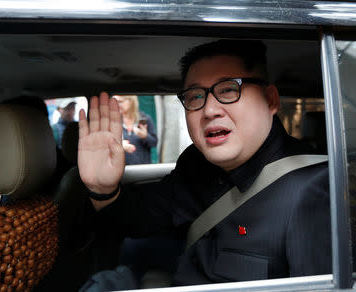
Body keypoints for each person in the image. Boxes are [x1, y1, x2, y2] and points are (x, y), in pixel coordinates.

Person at [77, 40, 331, 289]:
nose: (209, 110)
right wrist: (103, 189)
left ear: (270, 100)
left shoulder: (315, 190)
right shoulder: (196, 165)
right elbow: (139, 219)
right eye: (195, 95)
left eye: (229, 89)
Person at [113, 95, 158, 165]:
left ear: (131, 101)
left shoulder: (144, 119)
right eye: (115, 102)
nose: (117, 105)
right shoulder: (114, 121)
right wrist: (120, 146)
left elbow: (154, 143)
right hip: (123, 170)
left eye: (120, 101)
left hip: (143, 169)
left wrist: (145, 136)